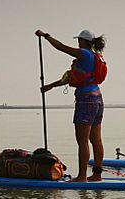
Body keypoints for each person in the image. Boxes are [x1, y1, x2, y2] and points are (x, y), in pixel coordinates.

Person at [35, 29, 107, 182]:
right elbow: (72, 77)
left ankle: (82, 177)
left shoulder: (84, 54)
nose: (78, 43)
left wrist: (46, 36)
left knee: (82, 141)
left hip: (86, 100)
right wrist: (50, 86)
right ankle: (97, 175)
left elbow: (61, 47)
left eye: (79, 40)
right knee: (96, 140)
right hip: (98, 99)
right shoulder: (94, 57)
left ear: (83, 41)